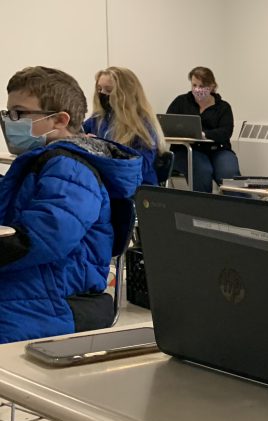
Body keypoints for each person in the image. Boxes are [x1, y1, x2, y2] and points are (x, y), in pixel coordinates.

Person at [0, 66, 143, 344]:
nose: (9, 122)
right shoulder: (46, 161)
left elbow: (46, 236)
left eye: (18, 113)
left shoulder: (70, 168)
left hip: (51, 300)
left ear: (59, 120)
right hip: (32, 287)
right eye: (7, 114)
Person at [84, 66, 168, 185]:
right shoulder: (98, 118)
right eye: (99, 89)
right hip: (107, 183)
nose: (102, 94)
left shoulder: (143, 124)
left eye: (108, 90)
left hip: (137, 187)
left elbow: (141, 167)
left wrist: (101, 148)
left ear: (126, 94)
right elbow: (76, 133)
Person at [165, 66, 240, 192]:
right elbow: (168, 126)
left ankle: (237, 208)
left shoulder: (223, 107)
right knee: (202, 170)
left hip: (218, 150)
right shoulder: (181, 102)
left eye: (202, 86)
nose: (197, 89)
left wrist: (204, 134)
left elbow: (226, 132)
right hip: (187, 151)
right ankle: (203, 209)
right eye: (194, 85)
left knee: (229, 174)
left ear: (211, 86)